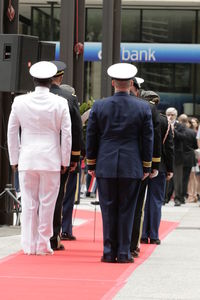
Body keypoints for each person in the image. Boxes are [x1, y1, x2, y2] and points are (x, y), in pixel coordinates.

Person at [86, 63, 154, 263]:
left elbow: (92, 136)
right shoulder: (143, 107)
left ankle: (108, 252)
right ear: (131, 83)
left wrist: (91, 164)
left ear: (113, 83)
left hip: (106, 163)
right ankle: (124, 253)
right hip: (131, 164)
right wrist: (146, 166)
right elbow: (147, 139)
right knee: (127, 210)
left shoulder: (99, 105)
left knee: (108, 209)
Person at [7, 61, 72, 255]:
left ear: (33, 80)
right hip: (51, 158)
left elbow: (12, 132)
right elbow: (66, 134)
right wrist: (65, 161)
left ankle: (28, 244)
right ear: (52, 80)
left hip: (27, 158)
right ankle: (43, 244)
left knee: (28, 203)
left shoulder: (19, 101)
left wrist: (14, 158)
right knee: (48, 203)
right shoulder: (60, 102)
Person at [49, 61, 82, 249]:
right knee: (56, 196)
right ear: (60, 78)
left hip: (33, 156)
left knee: (35, 199)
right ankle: (53, 237)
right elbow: (75, 130)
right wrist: (74, 157)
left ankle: (34, 237)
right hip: (59, 156)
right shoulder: (68, 98)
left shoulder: (27, 98)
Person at [130, 81, 161, 256]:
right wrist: (151, 165)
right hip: (137, 165)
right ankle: (131, 245)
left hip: (111, 165)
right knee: (135, 207)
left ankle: (112, 246)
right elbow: (152, 139)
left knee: (113, 207)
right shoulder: (149, 109)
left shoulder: (105, 105)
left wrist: (93, 162)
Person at [141, 91, 174, 244]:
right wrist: (170, 169)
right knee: (155, 200)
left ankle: (141, 233)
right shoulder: (164, 121)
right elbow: (168, 148)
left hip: (141, 164)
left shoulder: (139, 116)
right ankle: (153, 235)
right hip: (159, 165)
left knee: (140, 201)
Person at [165, 107, 186, 206]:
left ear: (176, 115)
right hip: (166, 154)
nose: (170, 116)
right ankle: (165, 198)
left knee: (177, 178)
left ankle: (178, 198)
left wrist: (174, 130)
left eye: (172, 114)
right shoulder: (164, 124)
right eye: (168, 114)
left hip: (177, 155)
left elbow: (183, 137)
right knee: (166, 177)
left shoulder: (180, 125)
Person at [178, 114, 198, 202]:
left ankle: (177, 196)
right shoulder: (193, 132)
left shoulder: (176, 131)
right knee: (186, 178)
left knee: (177, 177)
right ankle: (182, 196)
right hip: (189, 157)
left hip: (179, 156)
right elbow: (195, 146)